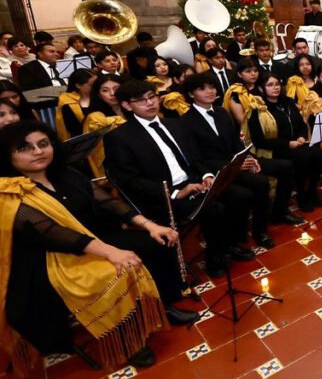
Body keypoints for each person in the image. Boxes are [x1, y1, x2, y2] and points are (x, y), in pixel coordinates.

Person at [0, 122, 171, 374]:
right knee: (112, 273)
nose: (38, 151)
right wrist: (112, 252)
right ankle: (128, 340)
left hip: (93, 238)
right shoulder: (9, 193)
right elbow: (57, 236)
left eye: (43, 144)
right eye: (25, 148)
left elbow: (106, 202)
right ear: (7, 155)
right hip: (49, 258)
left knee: (153, 243)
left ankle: (156, 308)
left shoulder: (66, 173)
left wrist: (148, 225)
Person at [103, 80, 255, 278]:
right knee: (215, 209)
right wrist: (176, 192)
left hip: (192, 183)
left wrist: (206, 176)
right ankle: (214, 258)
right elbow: (130, 181)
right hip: (162, 195)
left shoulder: (174, 124)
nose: (150, 104)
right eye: (141, 101)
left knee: (240, 196)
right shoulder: (119, 137)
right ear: (126, 105)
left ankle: (230, 243)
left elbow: (194, 157)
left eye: (152, 97)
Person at [179, 72, 304, 248]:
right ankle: (254, 233)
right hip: (218, 170)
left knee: (286, 166)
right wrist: (233, 165)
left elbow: (237, 142)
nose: (209, 92)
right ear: (191, 94)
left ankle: (279, 213)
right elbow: (196, 158)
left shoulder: (222, 112)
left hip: (237, 162)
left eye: (212, 87)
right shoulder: (185, 121)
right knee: (259, 183)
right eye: (202, 89)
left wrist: (249, 158)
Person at [248, 74, 322, 211]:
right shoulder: (259, 109)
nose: (275, 88)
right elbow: (259, 141)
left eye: (277, 84)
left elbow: (302, 124)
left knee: (318, 154)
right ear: (262, 88)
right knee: (303, 158)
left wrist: (302, 136)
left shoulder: (288, 102)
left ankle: (312, 190)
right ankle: (301, 195)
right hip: (277, 148)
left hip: (297, 143)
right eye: (270, 85)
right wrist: (287, 144)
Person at [82, 75, 127, 178]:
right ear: (98, 94)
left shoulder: (134, 108)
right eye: (105, 90)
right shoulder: (95, 118)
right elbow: (98, 152)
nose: (112, 94)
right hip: (113, 163)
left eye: (117, 89)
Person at [55, 69, 95, 140]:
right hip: (82, 139)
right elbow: (74, 129)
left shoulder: (97, 95)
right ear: (78, 85)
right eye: (92, 85)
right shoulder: (67, 102)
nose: (96, 87)